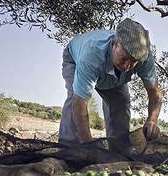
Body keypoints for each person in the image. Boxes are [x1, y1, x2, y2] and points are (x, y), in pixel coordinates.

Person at [59, 18, 162, 152]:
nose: (126, 66)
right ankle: (69, 150)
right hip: (75, 59)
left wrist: (152, 120)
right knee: (74, 96)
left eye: (133, 62)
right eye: (124, 58)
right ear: (114, 43)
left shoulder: (144, 58)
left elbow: (155, 94)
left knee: (121, 103)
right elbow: (80, 102)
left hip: (114, 77)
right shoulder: (91, 54)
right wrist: (88, 146)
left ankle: (118, 151)